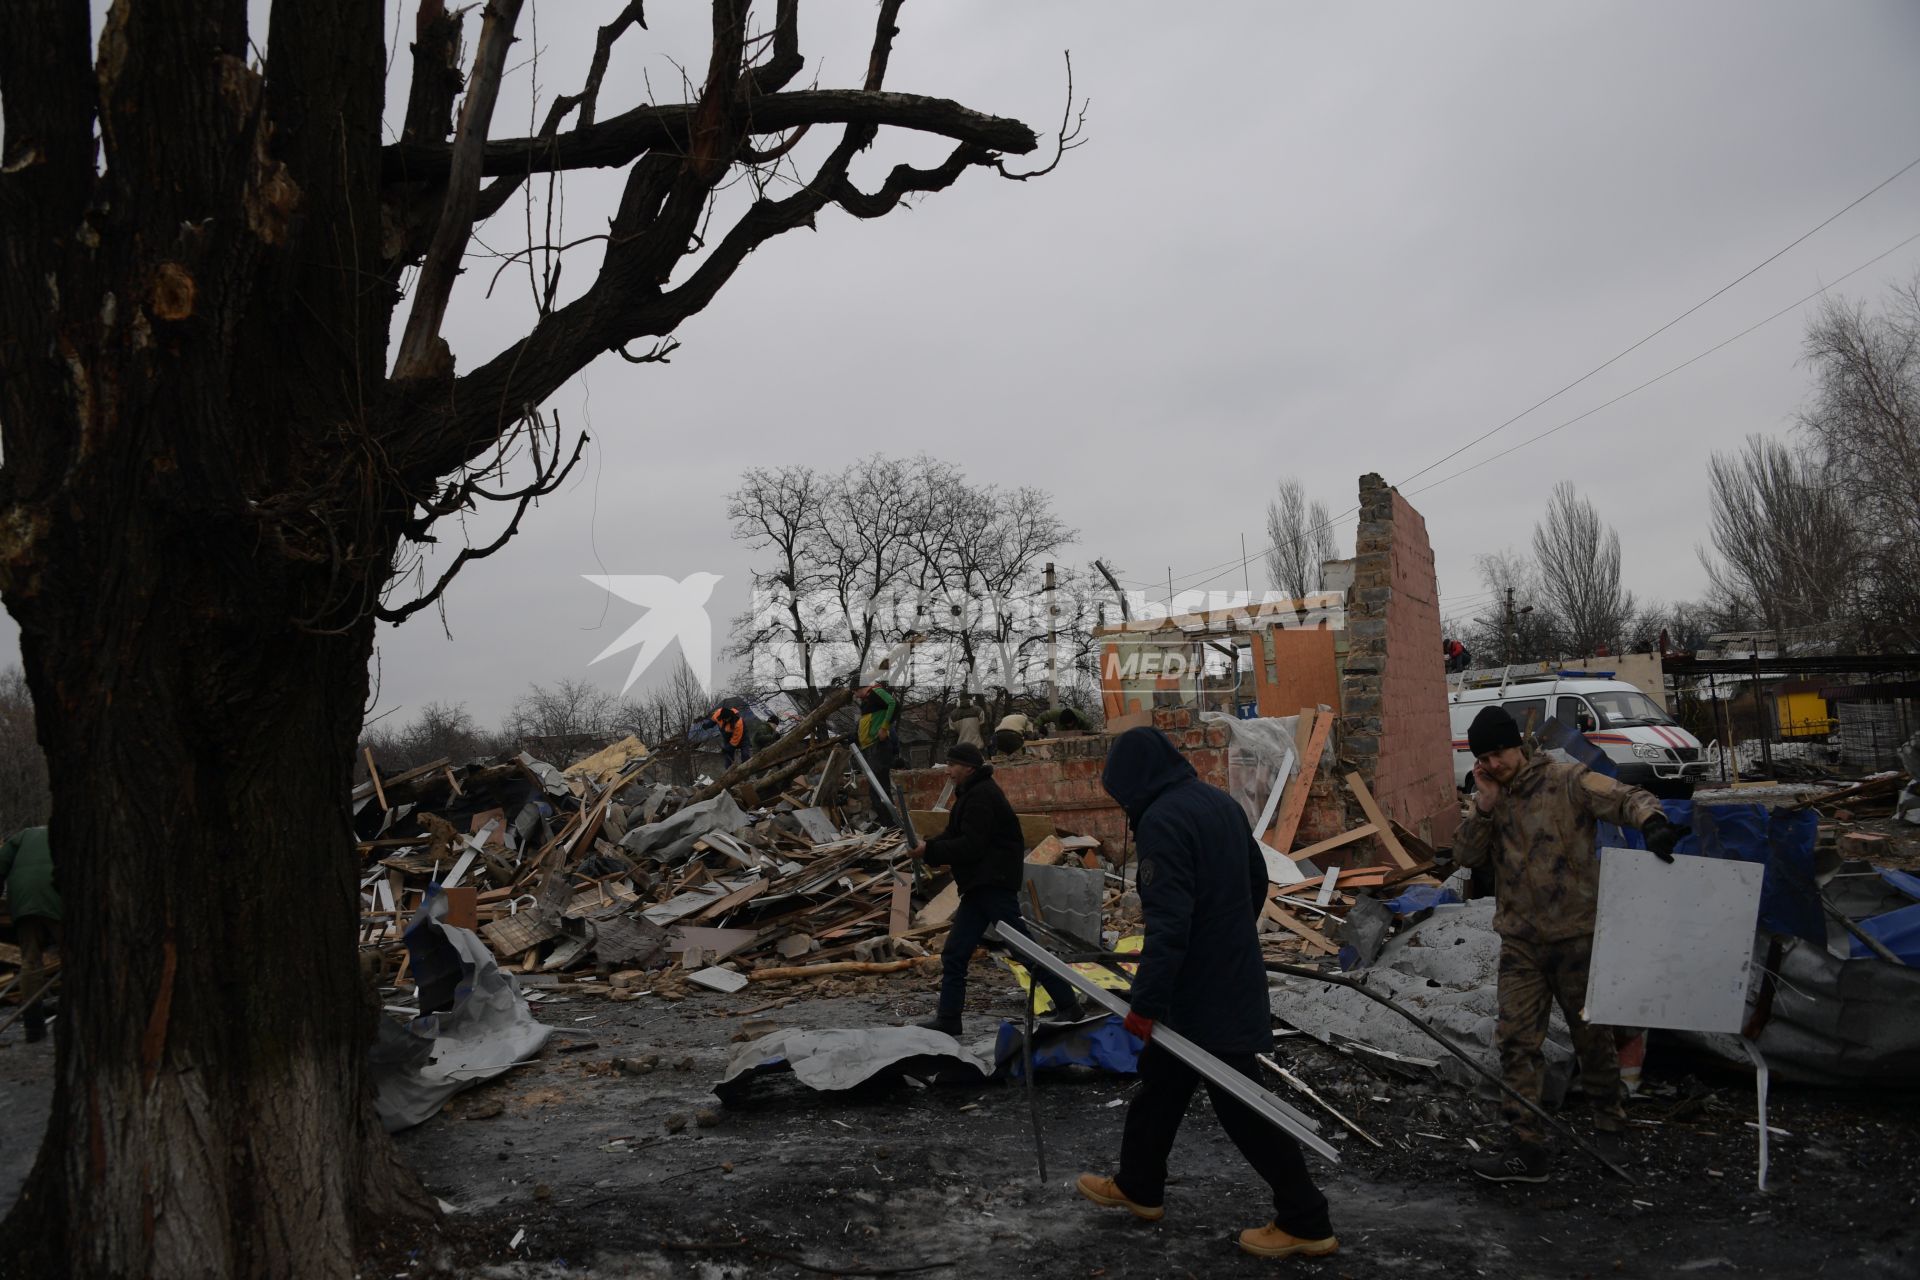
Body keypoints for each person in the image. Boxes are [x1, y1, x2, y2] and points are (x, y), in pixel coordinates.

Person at [1076, 728, 1338, 1260]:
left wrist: (1144, 1005)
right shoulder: (1218, 803)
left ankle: (1306, 1219)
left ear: (1133, 782)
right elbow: (1256, 880)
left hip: (1199, 990)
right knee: (1162, 1084)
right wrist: (1228, 929)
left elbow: (1169, 926)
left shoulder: (1162, 821)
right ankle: (1139, 1185)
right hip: (1226, 973)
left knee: (1242, 1102)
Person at [1452, 704, 1682, 1183]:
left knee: (1592, 1038)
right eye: (1484, 758)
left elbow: (1626, 797)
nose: (1493, 763)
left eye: (1499, 752)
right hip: (1520, 943)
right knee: (1516, 1043)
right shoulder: (1491, 797)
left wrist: (1652, 821)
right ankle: (1526, 1148)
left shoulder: (1567, 779)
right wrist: (1485, 804)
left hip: (1577, 936)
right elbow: (1468, 855)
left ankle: (1610, 1129)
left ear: (1517, 744)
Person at [908, 744, 1085, 1032]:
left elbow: (971, 845)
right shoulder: (970, 795)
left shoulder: (982, 797)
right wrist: (927, 847)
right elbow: (954, 835)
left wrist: (931, 851)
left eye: (953, 765)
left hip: (992, 883)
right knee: (955, 953)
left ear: (969, 768)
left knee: (1023, 949)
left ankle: (1069, 1006)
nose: (949, 771)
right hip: (981, 886)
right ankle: (949, 1019)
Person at [0, 824, 61, 1044]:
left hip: (22, 898)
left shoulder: (23, 835)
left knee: (30, 961)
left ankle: (33, 1027)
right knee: (77, 957)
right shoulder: (72, 831)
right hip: (57, 892)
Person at [856, 681, 901, 824]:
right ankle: (888, 824)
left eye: (855, 691)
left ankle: (890, 825)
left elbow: (893, 704)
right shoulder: (868, 700)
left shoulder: (876, 692)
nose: (854, 695)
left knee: (880, 789)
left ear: (860, 688)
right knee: (876, 790)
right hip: (871, 747)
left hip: (878, 747)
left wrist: (883, 728)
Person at [710, 703, 751, 770]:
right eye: (724, 719)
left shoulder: (738, 722)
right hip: (728, 739)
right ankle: (728, 772)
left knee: (745, 755)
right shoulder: (718, 714)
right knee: (728, 758)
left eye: (727, 719)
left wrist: (727, 748)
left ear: (731, 716)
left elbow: (735, 741)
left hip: (742, 739)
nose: (726, 720)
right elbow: (713, 719)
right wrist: (709, 724)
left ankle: (746, 771)